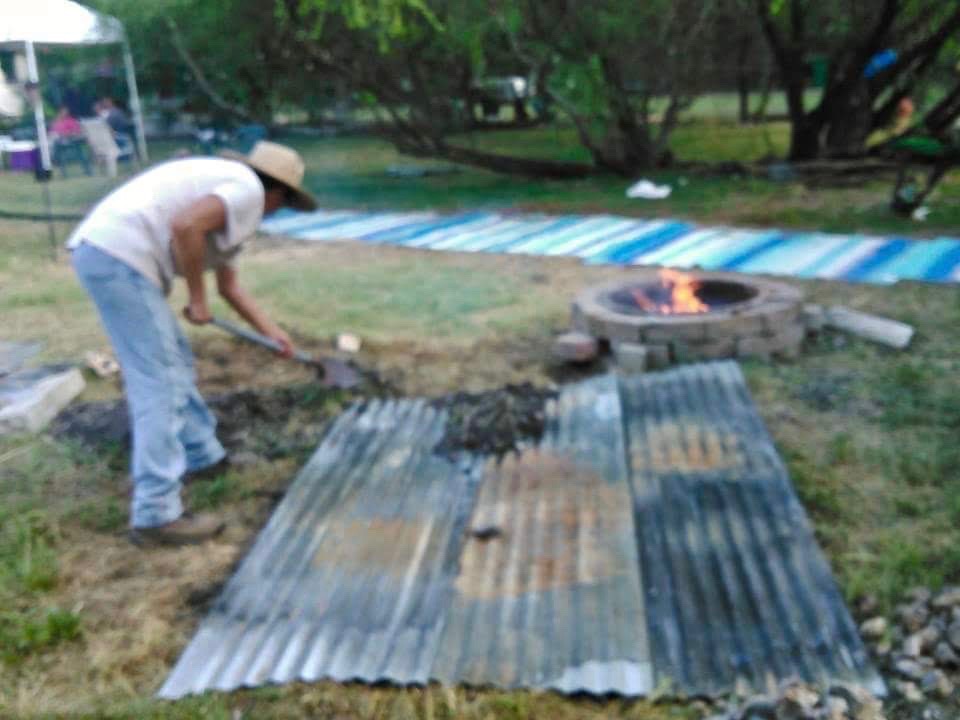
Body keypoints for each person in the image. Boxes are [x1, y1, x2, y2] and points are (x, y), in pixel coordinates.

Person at [67, 141, 317, 547]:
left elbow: (230, 286)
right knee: (160, 380)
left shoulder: (231, 197)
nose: (275, 215)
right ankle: (155, 515)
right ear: (276, 193)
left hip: (108, 256)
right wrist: (196, 298)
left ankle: (204, 457)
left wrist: (272, 332)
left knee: (175, 363)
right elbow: (185, 226)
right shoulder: (246, 191)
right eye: (283, 206)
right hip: (118, 258)